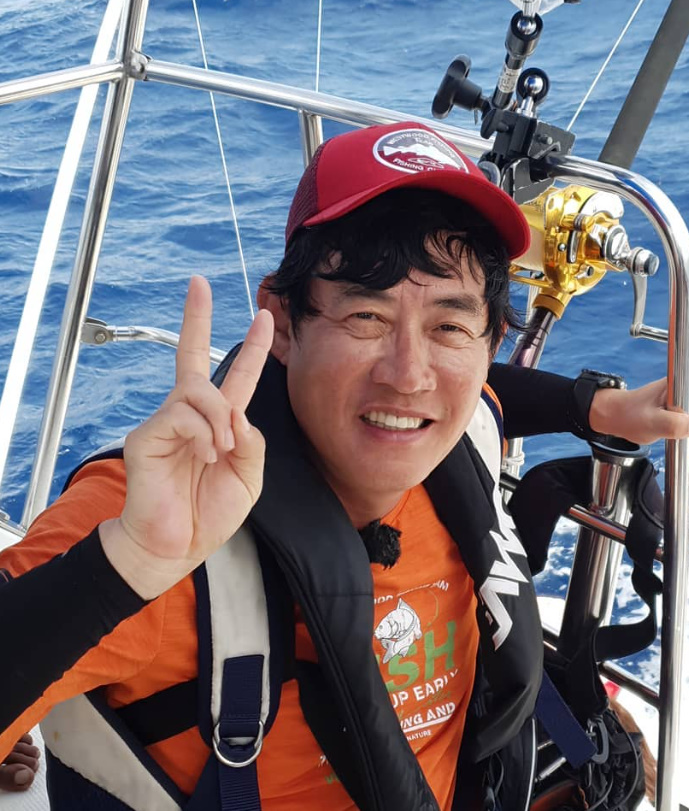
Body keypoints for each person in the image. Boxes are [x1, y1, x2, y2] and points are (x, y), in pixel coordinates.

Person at [0, 121, 686, 811]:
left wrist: (595, 407)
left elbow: (484, 392)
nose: (409, 378)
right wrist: (125, 563)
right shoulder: (157, 515)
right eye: (365, 317)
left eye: (449, 326)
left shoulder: (462, 427)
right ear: (282, 323)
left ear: (490, 341)